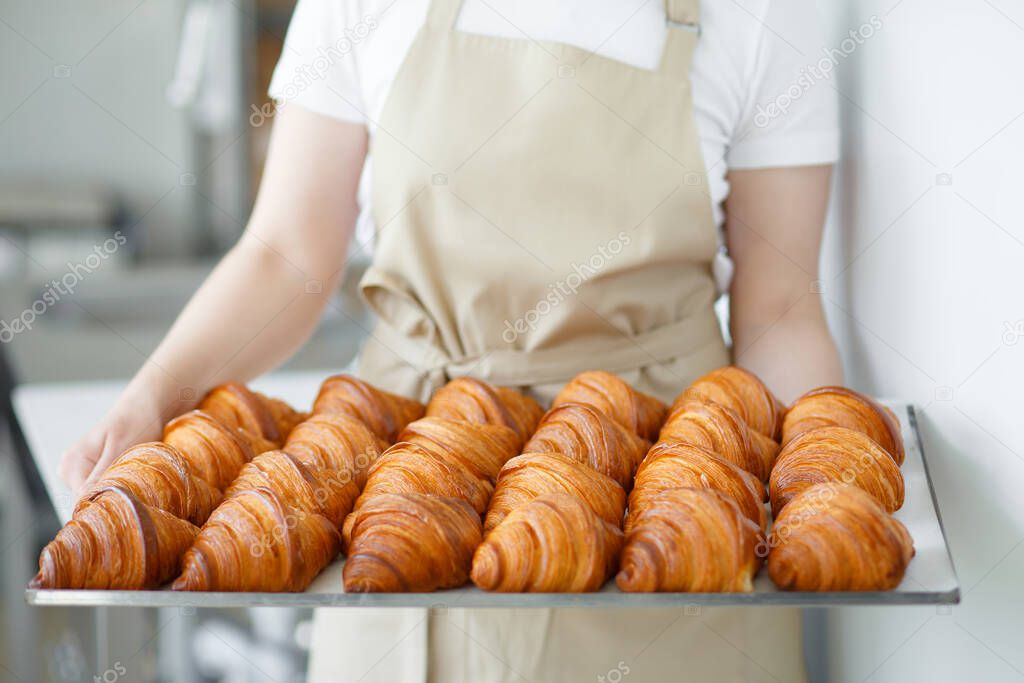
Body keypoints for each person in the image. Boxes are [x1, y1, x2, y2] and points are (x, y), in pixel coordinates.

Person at [61, 0, 842, 680]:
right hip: (405, 473)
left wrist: (827, 489)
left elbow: (780, 306)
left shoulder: (763, 11)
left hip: (665, 491)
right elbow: (285, 256)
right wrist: (153, 395)